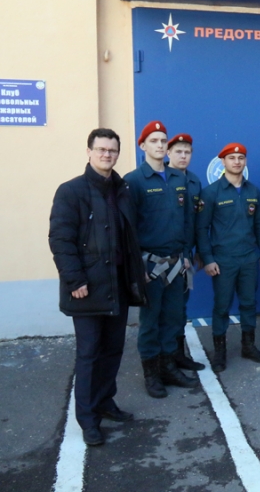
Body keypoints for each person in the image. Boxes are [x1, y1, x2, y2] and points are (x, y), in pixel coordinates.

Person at [49, 128, 148, 447]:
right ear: (89, 152)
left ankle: (106, 402)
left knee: (113, 349)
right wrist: (75, 279)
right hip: (88, 288)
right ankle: (88, 419)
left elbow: (129, 237)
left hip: (118, 284)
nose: (107, 155)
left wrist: (137, 273)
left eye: (112, 150)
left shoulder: (122, 189)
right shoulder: (71, 191)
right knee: (89, 354)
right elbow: (61, 239)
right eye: (101, 149)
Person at [124, 121, 198, 398]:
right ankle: (152, 374)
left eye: (163, 140)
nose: (160, 145)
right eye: (153, 140)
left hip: (177, 261)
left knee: (173, 317)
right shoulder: (133, 181)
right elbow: (128, 228)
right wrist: (136, 267)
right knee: (150, 320)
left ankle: (169, 367)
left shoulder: (179, 179)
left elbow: (187, 219)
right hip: (149, 264)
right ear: (142, 145)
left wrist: (187, 254)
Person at [196, 143, 260, 373]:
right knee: (222, 306)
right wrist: (208, 259)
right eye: (232, 158)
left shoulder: (253, 191)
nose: (237, 161)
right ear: (223, 162)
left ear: (245, 161)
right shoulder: (211, 193)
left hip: (249, 258)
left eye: (241, 157)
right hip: (224, 260)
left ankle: (248, 346)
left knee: (249, 303)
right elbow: (201, 229)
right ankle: (219, 353)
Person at [165, 133, 204, 371]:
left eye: (187, 152)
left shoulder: (194, 182)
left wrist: (197, 250)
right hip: (164, 257)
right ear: (168, 153)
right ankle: (164, 360)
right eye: (178, 151)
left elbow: (197, 220)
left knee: (180, 308)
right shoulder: (163, 179)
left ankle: (178, 355)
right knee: (164, 312)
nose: (183, 156)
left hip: (186, 257)